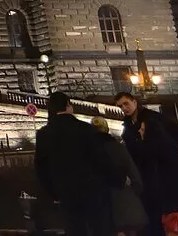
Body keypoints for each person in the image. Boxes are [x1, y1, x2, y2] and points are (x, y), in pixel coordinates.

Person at [115, 92, 178, 236]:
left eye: (126, 104)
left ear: (134, 102)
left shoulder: (152, 119)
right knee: (154, 214)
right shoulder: (128, 125)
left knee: (167, 212)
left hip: (162, 172)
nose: (124, 108)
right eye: (120, 106)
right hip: (146, 174)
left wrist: (162, 146)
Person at [36, 91, 120, 235]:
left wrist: (53, 193)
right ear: (68, 105)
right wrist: (116, 179)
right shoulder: (85, 129)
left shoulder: (43, 134)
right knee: (100, 228)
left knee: (75, 229)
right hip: (93, 189)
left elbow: (41, 168)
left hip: (65, 192)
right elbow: (100, 159)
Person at [91, 116, 148, 235]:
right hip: (123, 196)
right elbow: (132, 171)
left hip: (99, 200)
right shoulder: (117, 146)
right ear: (106, 129)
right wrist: (136, 189)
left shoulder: (88, 149)